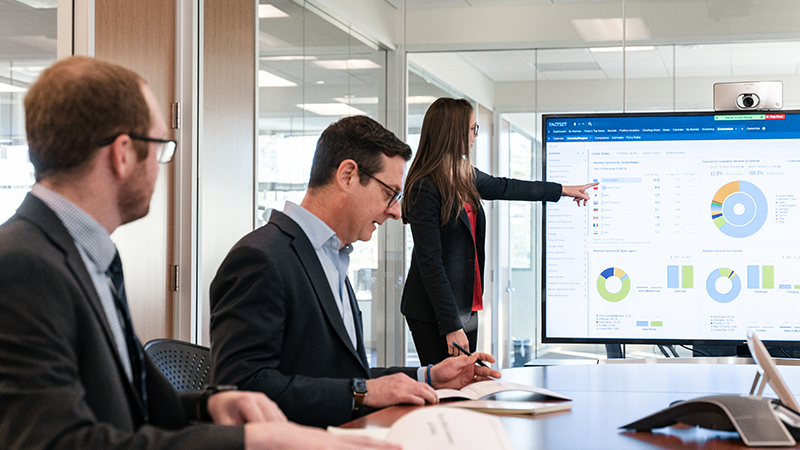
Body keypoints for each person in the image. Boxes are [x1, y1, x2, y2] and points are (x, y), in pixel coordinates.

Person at [0, 56, 396, 450]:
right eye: (160, 148)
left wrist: (210, 406)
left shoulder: (82, 255)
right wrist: (249, 440)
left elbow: (129, 408)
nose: (160, 168)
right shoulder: (23, 264)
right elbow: (52, 441)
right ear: (122, 154)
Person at [209, 115, 501, 428]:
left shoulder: (332, 258)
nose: (396, 211)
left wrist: (428, 376)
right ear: (348, 175)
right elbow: (239, 390)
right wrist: (362, 392)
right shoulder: (260, 258)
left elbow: (342, 377)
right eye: (391, 192)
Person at [401, 97, 598, 366]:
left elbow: (507, 187)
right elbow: (430, 263)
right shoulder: (426, 187)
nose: (475, 136)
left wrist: (562, 190)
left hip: (464, 304)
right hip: (434, 310)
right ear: (453, 131)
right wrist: (450, 325)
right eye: (472, 129)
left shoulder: (462, 173)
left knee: (465, 380)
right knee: (448, 386)